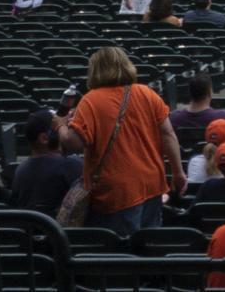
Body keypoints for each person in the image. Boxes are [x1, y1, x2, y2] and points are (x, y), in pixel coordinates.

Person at [62, 46, 183, 233]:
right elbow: (168, 134)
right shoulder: (147, 93)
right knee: (150, 248)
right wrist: (178, 172)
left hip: (116, 192)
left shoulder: (90, 101)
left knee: (122, 254)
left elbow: (72, 143)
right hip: (152, 183)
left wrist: (59, 125)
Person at [11, 111, 82, 219]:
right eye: (58, 128)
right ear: (44, 138)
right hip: (64, 234)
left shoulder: (20, 170)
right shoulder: (71, 164)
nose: (65, 131)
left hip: (30, 233)